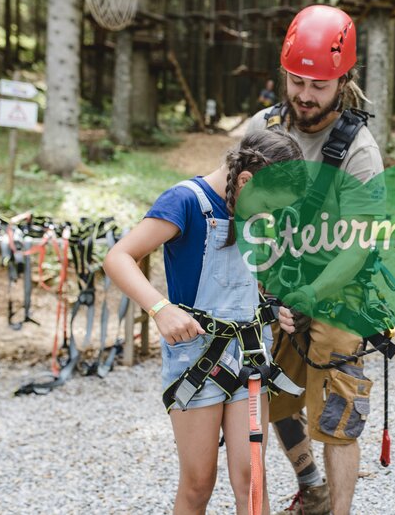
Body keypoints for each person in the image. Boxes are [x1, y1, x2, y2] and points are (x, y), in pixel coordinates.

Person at [103, 130, 306, 515]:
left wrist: (272, 304)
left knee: (252, 479)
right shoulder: (184, 201)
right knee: (198, 484)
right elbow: (119, 257)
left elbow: (250, 278)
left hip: (250, 355)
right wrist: (160, 308)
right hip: (197, 361)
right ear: (245, 180)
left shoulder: (252, 208)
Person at [242, 4, 385, 515]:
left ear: (343, 81)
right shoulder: (261, 127)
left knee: (337, 416)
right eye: (296, 81)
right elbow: (239, 206)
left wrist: (312, 294)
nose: (305, 94)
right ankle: (312, 489)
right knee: (274, 399)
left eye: (319, 85)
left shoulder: (359, 151)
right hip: (277, 282)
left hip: (338, 290)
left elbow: (360, 244)